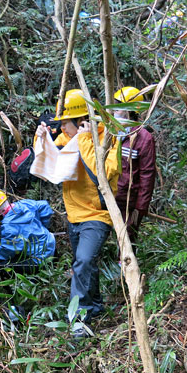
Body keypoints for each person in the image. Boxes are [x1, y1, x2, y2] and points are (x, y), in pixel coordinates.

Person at [35, 89, 121, 338]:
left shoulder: (108, 138)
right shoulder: (68, 138)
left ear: (82, 122)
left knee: (82, 261)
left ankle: (78, 319)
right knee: (87, 264)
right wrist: (40, 137)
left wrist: (84, 139)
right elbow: (48, 156)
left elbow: (102, 174)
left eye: (65, 123)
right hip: (74, 216)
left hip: (96, 215)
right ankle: (94, 306)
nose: (62, 128)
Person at [113, 87, 156, 244]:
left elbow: (147, 175)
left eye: (117, 108)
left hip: (128, 202)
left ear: (128, 110)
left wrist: (140, 208)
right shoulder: (110, 132)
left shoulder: (143, 138)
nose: (113, 112)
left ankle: (125, 268)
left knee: (127, 241)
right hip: (108, 197)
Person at [0, 189, 56, 268]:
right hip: (50, 241)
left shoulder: (8, 226)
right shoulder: (25, 204)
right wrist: (43, 227)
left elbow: (8, 251)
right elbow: (44, 206)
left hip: (39, 258)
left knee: (5, 265)